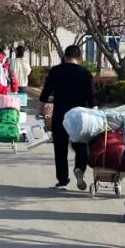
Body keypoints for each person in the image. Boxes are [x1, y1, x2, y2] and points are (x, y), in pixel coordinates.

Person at [39, 45, 96, 190]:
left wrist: (42, 112)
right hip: (80, 117)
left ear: (64, 57)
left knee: (60, 148)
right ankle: (79, 169)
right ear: (80, 58)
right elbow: (92, 100)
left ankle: (62, 181)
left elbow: (45, 95)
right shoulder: (85, 74)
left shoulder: (56, 71)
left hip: (61, 115)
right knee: (81, 146)